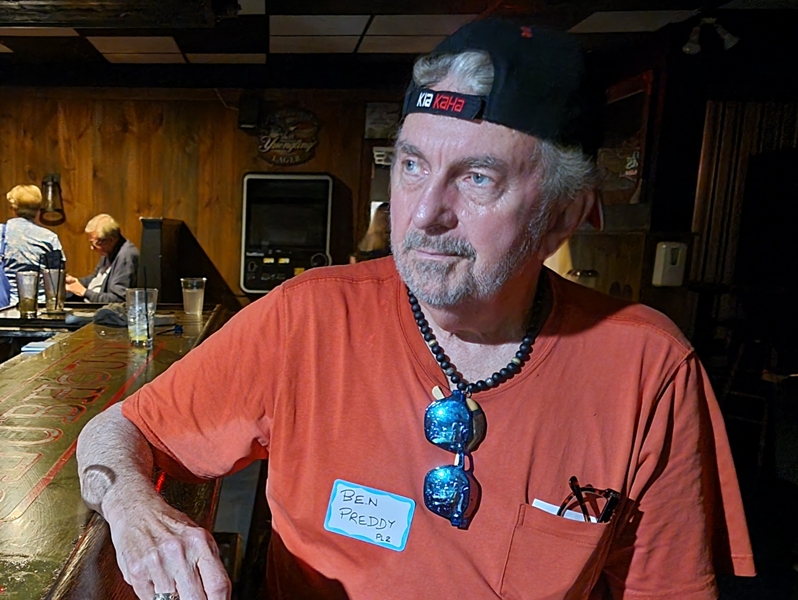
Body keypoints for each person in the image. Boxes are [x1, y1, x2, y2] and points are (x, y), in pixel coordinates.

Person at [76, 19, 755, 600]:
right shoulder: (308, 318)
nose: (425, 213)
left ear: (564, 215)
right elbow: (116, 430)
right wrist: (133, 507)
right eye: (412, 165)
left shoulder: (648, 367)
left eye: (477, 177)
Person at [2, 184, 64, 305]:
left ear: (12, 207)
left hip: (5, 306)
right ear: (38, 208)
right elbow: (56, 279)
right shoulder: (49, 238)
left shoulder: (1, 234)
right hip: (40, 305)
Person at [65, 213, 139, 303]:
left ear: (111, 240)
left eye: (95, 244)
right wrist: (76, 282)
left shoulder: (126, 257)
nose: (92, 248)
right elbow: (96, 279)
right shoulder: (108, 251)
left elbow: (118, 300)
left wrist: (84, 292)